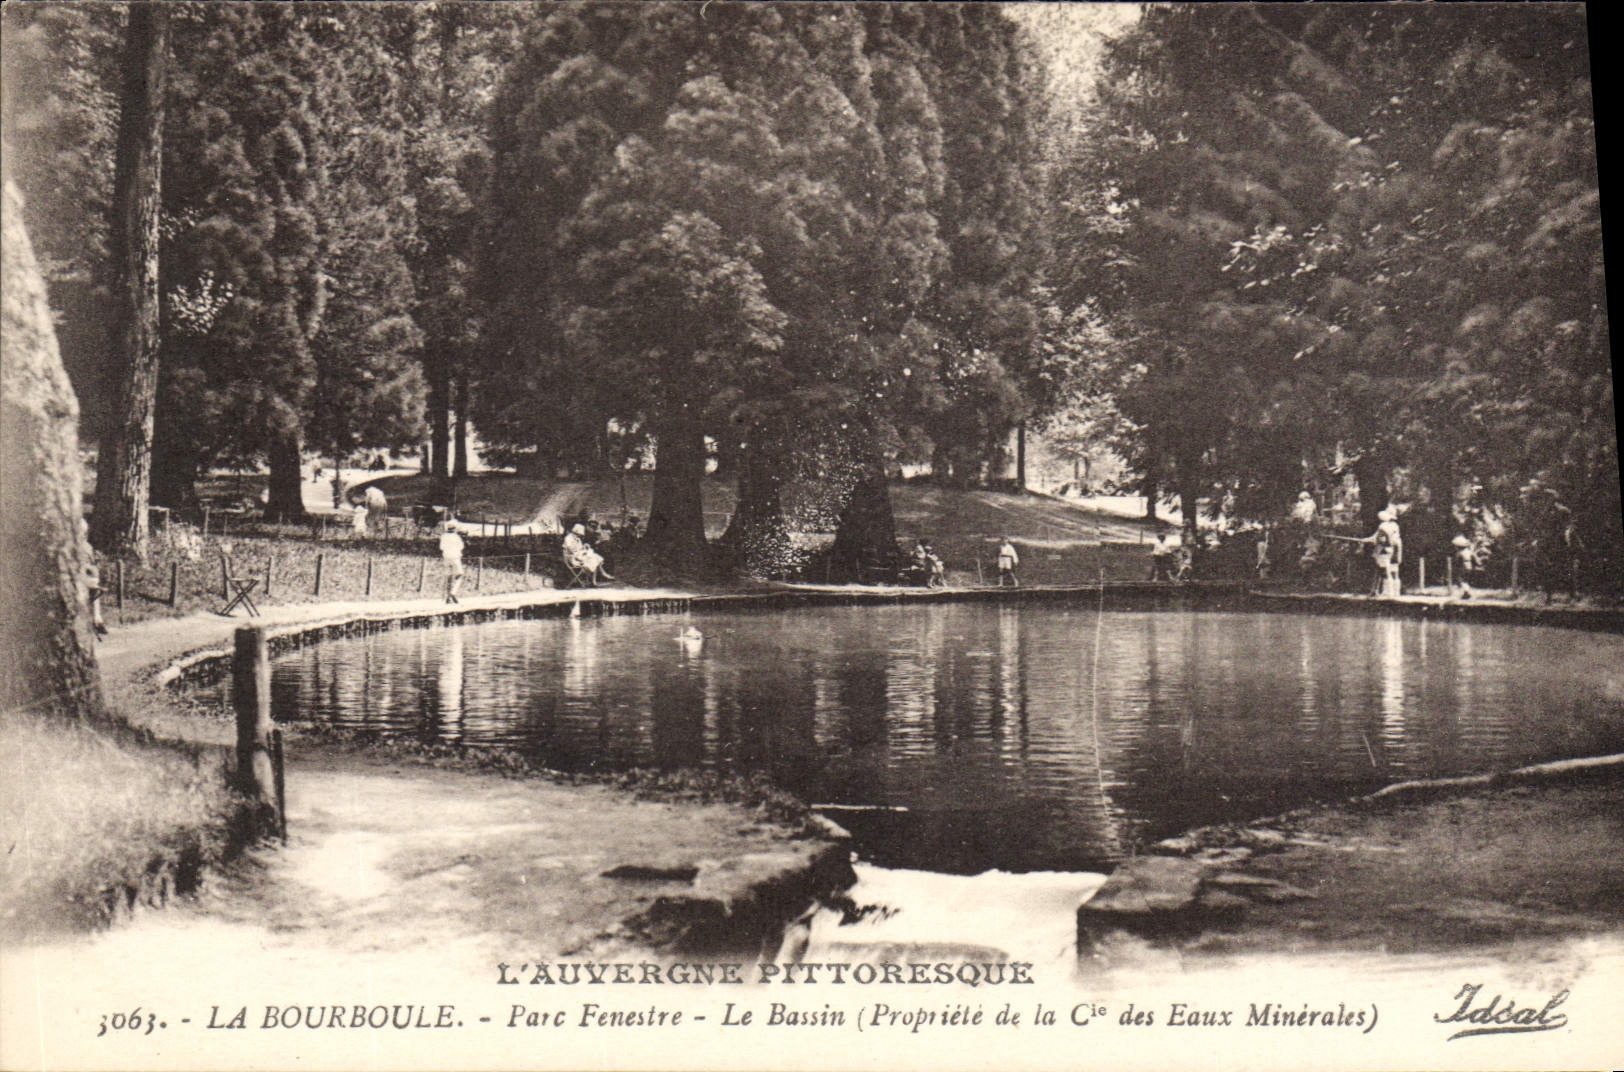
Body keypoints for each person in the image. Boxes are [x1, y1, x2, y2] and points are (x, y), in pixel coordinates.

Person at [439, 523, 465, 604]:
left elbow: (441, 547)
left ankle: (447, 597)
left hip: (446, 557)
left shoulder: (443, 536)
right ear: (454, 529)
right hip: (455, 558)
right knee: (460, 574)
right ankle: (453, 592)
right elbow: (461, 547)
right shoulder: (457, 537)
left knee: (449, 577)